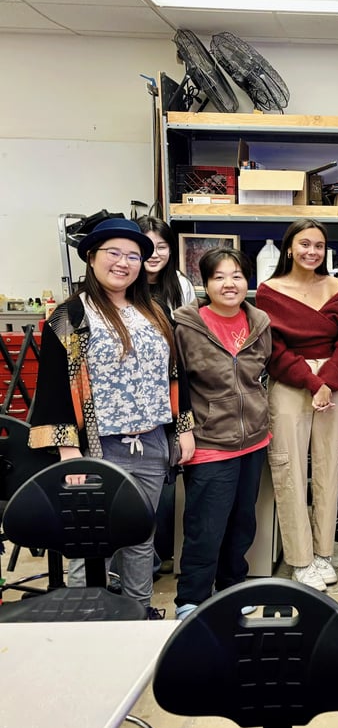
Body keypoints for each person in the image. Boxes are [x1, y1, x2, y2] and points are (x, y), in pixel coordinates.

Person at [28, 217, 195, 618]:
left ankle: (136, 618)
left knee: (141, 538)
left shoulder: (155, 311)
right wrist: (69, 450)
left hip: (152, 442)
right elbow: (52, 386)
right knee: (89, 543)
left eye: (133, 256)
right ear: (91, 257)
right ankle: (86, 621)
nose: (124, 263)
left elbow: (175, 372)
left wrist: (183, 429)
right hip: (98, 447)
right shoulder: (70, 315)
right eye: (113, 253)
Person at [255, 219, 338, 592]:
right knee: (290, 469)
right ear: (288, 248)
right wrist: (313, 382)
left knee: (331, 467)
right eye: (304, 244)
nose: (312, 252)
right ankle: (300, 559)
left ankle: (324, 552)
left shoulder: (335, 286)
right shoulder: (269, 290)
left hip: (335, 382)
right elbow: (274, 348)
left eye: (318, 245)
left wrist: (329, 380)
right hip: (290, 384)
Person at [172, 247, 271, 620]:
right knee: (205, 525)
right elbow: (175, 383)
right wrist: (185, 430)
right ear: (205, 283)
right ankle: (191, 599)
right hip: (210, 442)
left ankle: (232, 589)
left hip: (254, 440)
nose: (229, 284)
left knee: (242, 522)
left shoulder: (260, 322)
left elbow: (263, 374)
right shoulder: (186, 326)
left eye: (237, 276)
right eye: (219, 277)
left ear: (248, 281)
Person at [136, 214, 195, 576]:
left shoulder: (181, 286)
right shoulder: (121, 285)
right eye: (147, 246)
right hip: (133, 399)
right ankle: (138, 559)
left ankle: (158, 552)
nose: (154, 254)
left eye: (162, 246)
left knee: (165, 475)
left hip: (172, 390)